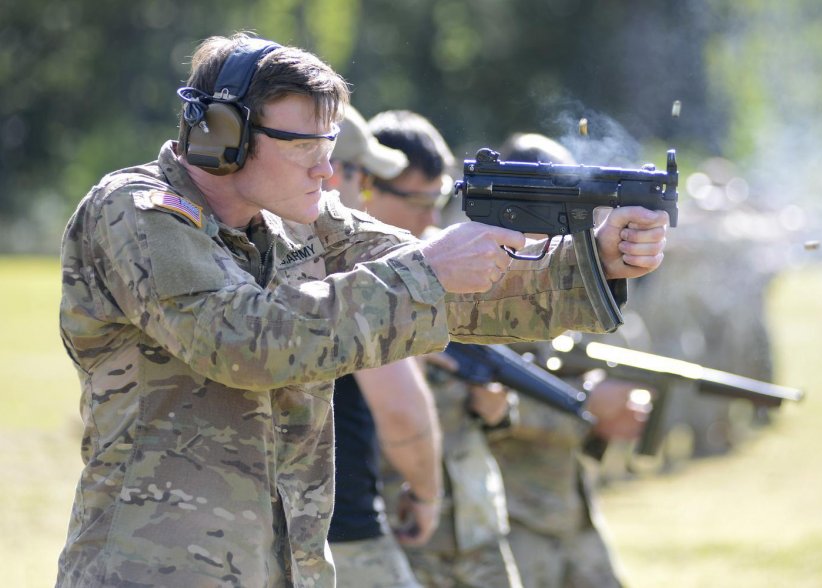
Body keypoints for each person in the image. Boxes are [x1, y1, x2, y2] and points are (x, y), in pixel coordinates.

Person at [55, 33, 669, 587]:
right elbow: (243, 341)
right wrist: (426, 273)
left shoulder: (304, 221)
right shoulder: (138, 212)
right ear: (224, 134)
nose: (328, 169)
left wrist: (592, 258)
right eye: (306, 146)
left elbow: (457, 287)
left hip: (283, 567)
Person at [365, 110, 523, 588]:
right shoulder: (337, 288)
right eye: (418, 200)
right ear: (367, 187)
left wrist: (495, 410)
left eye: (437, 200)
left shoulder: (453, 268)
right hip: (396, 529)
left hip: (473, 524)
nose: (431, 219)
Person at [487, 132, 652, 588]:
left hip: (573, 513)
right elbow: (475, 402)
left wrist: (610, 415)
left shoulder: (573, 281)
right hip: (508, 523)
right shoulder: (478, 286)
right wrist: (586, 406)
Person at [325, 105, 442, 588]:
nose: (364, 193)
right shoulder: (343, 260)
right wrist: (427, 495)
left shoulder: (242, 244)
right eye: (363, 176)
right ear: (336, 173)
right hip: (342, 532)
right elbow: (401, 412)